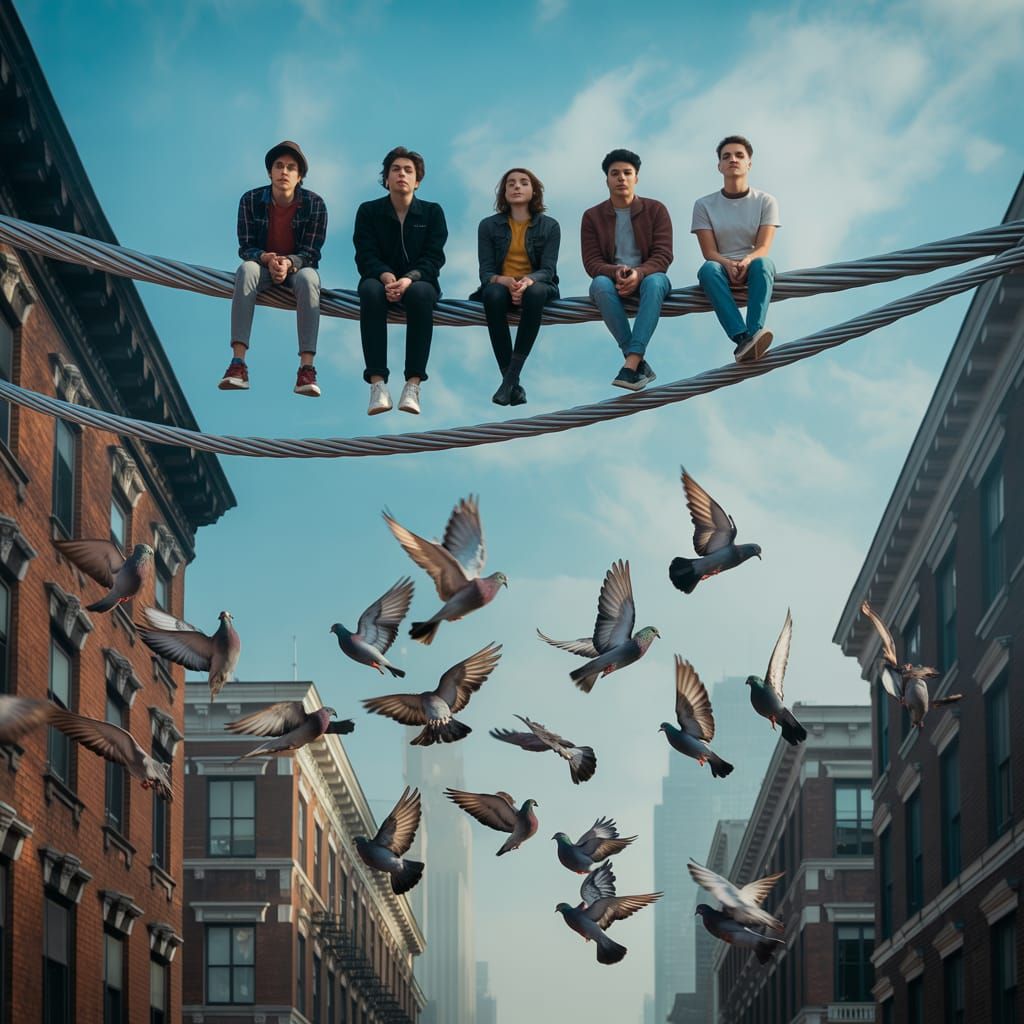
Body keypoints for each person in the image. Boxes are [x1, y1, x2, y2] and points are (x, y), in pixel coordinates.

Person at [218, 140, 327, 397]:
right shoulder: (251, 200)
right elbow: (246, 247)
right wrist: (267, 259)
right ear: (270, 172)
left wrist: (289, 263)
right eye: (279, 166)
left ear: (299, 176)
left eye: (291, 167)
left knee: (311, 279)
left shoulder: (315, 205)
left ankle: (306, 369)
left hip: (297, 270)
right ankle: (237, 364)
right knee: (245, 270)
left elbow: (311, 253)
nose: (284, 172)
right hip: (262, 267)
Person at [353, 147, 448, 415]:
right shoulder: (369, 211)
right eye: (395, 169)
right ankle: (377, 385)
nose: (402, 174)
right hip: (378, 280)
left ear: (417, 181)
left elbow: (434, 258)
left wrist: (408, 279)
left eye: (408, 170)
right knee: (370, 292)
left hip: (419, 283)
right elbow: (364, 254)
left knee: (420, 295)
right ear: (386, 179)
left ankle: (413, 384)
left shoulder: (432, 213)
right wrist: (384, 275)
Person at [581, 148, 673, 391]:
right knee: (598, 284)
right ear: (607, 180)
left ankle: (631, 364)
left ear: (636, 178)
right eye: (615, 173)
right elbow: (592, 262)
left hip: (650, 277)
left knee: (655, 282)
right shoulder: (592, 216)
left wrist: (639, 273)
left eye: (627, 173)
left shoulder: (656, 209)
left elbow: (663, 256)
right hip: (612, 281)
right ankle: (636, 362)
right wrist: (616, 272)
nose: (621, 178)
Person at [472, 167, 560, 406]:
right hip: (500, 287)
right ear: (503, 192)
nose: (517, 187)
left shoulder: (550, 226)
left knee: (535, 293)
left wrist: (527, 281)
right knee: (492, 295)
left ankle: (508, 382)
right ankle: (512, 383)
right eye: (510, 183)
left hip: (537, 286)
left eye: (523, 183)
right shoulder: (488, 226)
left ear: (534, 192)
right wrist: (506, 281)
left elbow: (548, 271)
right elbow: (486, 273)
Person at [691, 135, 779, 362]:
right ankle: (742, 338)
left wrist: (747, 260)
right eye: (726, 156)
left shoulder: (766, 201)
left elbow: (763, 247)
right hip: (720, 266)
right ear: (719, 166)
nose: (733, 160)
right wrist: (727, 263)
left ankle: (754, 332)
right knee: (708, 269)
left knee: (764, 264)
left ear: (749, 163)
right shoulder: (703, 205)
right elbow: (709, 251)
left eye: (739, 155)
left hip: (752, 262)